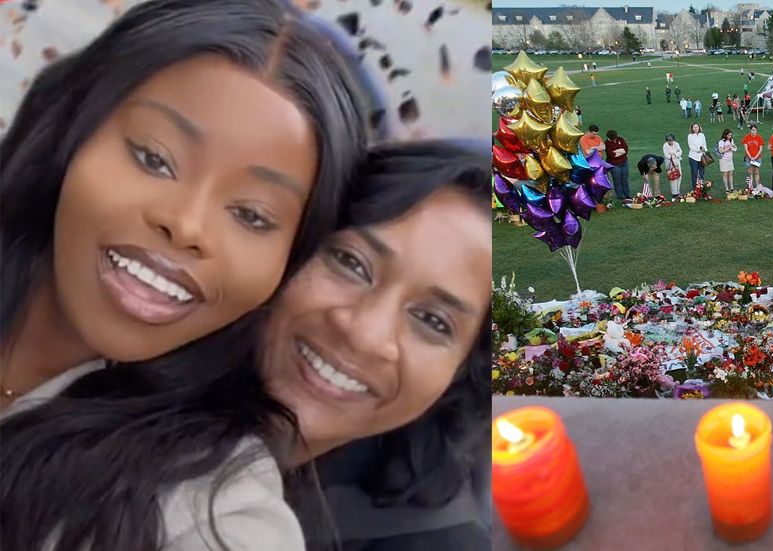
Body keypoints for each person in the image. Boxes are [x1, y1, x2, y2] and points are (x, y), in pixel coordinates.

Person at [1, 142, 492, 551]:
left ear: (460, 373)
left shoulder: (430, 536)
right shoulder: (103, 341)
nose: (363, 332)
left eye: (432, 321)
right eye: (351, 263)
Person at [0, 0, 370, 407]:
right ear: (71, 132)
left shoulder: (209, 469)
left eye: (252, 215)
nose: (187, 225)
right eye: (153, 158)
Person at [605, 130, 631, 202]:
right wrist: (621, 151)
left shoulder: (620, 139)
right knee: (617, 180)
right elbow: (612, 155)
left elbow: (625, 149)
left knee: (625, 178)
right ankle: (620, 195)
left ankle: (627, 194)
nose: (615, 139)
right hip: (614, 164)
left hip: (624, 162)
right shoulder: (607, 143)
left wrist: (617, 151)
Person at [742, 125, 764, 191]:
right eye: (752, 130)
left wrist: (755, 157)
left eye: (755, 130)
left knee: (757, 172)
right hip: (749, 158)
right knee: (750, 172)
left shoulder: (759, 138)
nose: (754, 132)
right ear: (750, 130)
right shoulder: (746, 138)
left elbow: (760, 149)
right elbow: (746, 148)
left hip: (757, 158)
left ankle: (757, 186)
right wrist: (751, 157)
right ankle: (750, 187)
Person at [663, 133, 684, 200]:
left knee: (679, 176)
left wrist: (673, 153)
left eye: (671, 140)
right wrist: (675, 152)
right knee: (673, 177)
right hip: (670, 164)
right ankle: (674, 193)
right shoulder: (665, 145)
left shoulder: (676, 144)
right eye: (669, 141)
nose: (670, 142)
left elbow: (680, 152)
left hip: (677, 162)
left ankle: (678, 191)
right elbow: (667, 155)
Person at [687, 123, 707, 190]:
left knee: (702, 173)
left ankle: (702, 187)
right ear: (692, 128)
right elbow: (691, 147)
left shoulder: (702, 135)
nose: (696, 128)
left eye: (697, 127)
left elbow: (704, 144)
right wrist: (699, 149)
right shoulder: (690, 136)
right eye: (694, 127)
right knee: (694, 173)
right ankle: (695, 189)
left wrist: (704, 149)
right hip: (693, 157)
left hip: (701, 157)